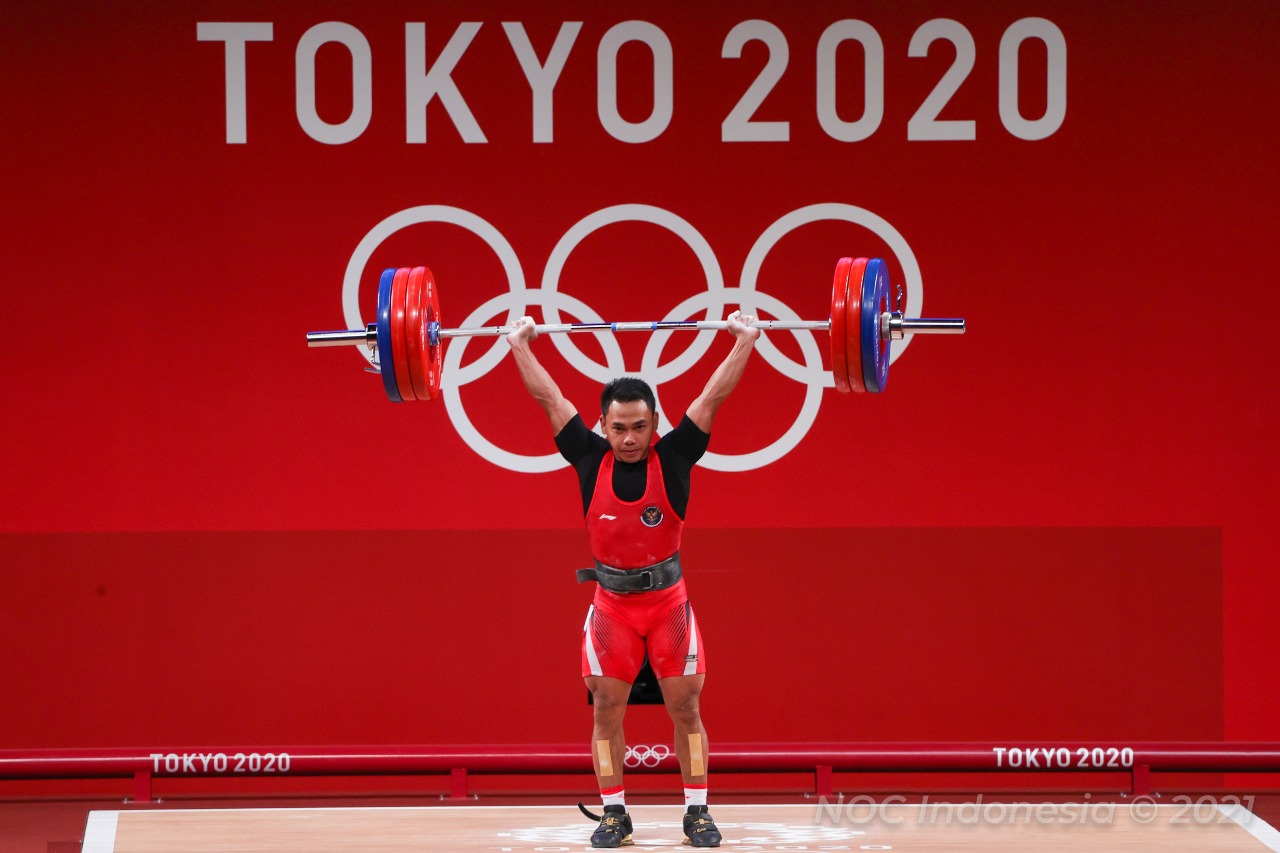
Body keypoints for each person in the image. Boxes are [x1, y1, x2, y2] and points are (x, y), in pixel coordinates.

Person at [505, 312, 760, 849]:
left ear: (656, 423)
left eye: (639, 427)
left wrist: (746, 341)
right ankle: (614, 813)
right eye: (617, 428)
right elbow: (550, 400)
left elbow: (712, 398)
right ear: (602, 425)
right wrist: (518, 343)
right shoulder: (586, 457)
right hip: (612, 606)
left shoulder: (676, 457)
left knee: (687, 707)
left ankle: (697, 811)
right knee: (605, 710)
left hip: (668, 603)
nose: (628, 439)